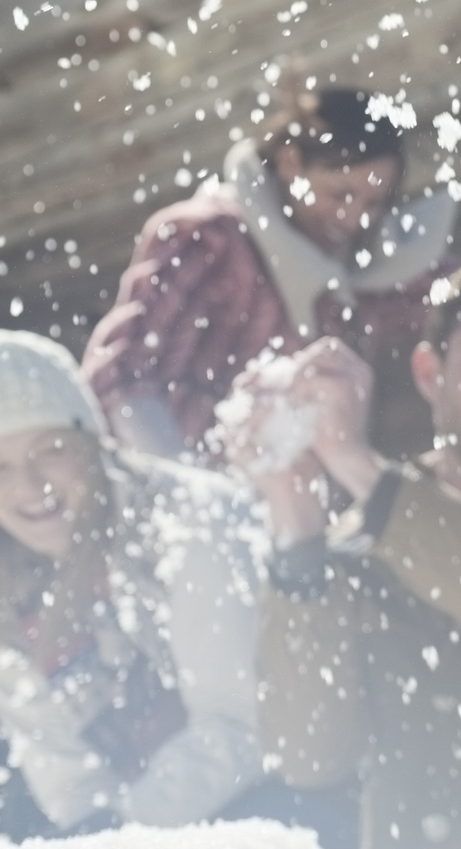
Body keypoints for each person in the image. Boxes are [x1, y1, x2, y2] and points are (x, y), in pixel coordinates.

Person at [233, 253, 461, 849]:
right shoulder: (363, 535)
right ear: (428, 372)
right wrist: (296, 521)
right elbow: (307, 755)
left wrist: (358, 467)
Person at [81, 88, 456, 462]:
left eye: (374, 203)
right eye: (339, 194)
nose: (355, 218)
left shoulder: (374, 267)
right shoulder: (207, 240)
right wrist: (187, 495)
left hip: (316, 509)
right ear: (290, 162)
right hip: (193, 482)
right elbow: (120, 372)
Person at [0, 329, 268, 834]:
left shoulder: (189, 524)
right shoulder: (10, 583)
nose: (28, 486)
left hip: (271, 803)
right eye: (0, 466)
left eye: (50, 450)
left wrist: (124, 829)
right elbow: (63, 772)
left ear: (92, 441)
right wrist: (93, 831)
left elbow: (243, 726)